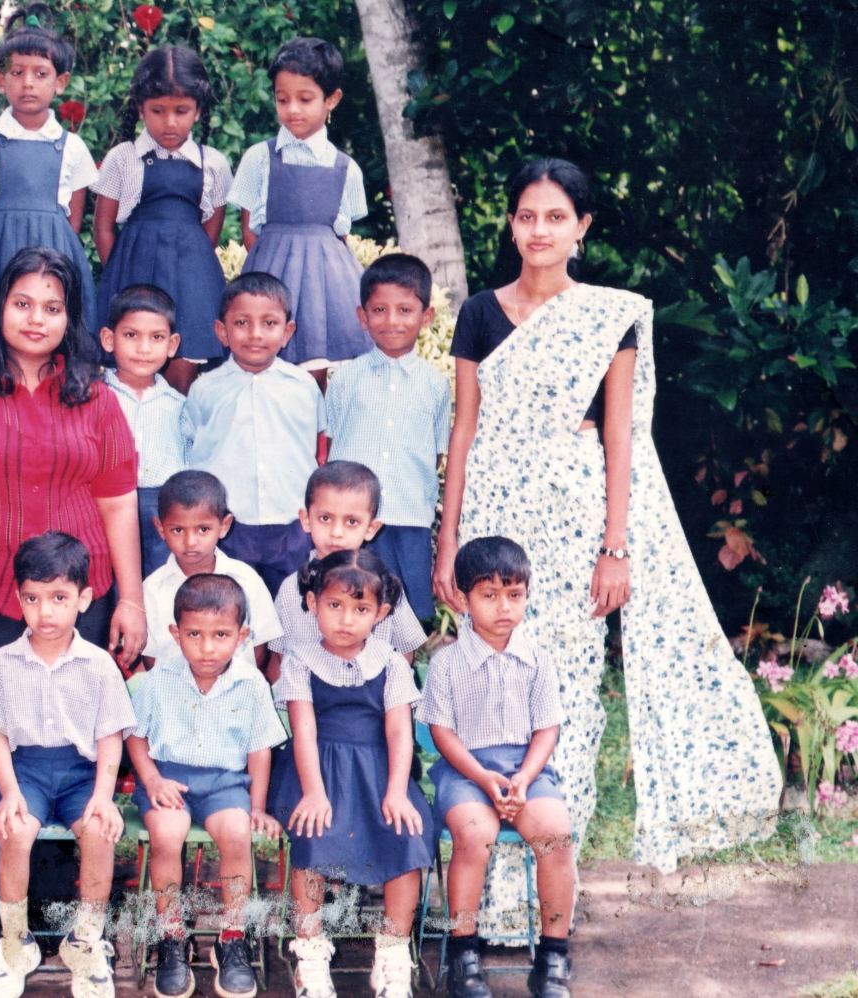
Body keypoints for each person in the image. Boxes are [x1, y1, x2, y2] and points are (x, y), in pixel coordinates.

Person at [432, 158, 779, 933]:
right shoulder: (480, 314)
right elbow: (464, 429)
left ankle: (553, 883)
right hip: (492, 514)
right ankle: (493, 896)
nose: (540, 231)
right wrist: (448, 538)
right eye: (527, 216)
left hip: (575, 518)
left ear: (582, 227)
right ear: (511, 224)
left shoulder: (609, 316)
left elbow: (621, 435)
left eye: (556, 217)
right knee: (488, 683)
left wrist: (615, 547)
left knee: (565, 693)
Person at [0, 246, 146, 948]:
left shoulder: (98, 398)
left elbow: (119, 507)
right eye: (22, 304)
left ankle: (62, 920)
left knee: (69, 752)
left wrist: (130, 601)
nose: (36, 318)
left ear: (71, 317)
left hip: (77, 604)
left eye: (52, 306)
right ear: (0, 308)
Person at [0, 532, 137, 998]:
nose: (45, 612)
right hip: (25, 772)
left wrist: (103, 796)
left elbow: (110, 736)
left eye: (59, 598)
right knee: (16, 830)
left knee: (99, 831)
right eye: (33, 598)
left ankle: (86, 940)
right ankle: (15, 941)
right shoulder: (3, 663)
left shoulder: (98, 665)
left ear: (83, 599)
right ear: (18, 598)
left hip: (82, 774)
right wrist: (9, 792)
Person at [272, 549, 436, 998]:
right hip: (315, 768)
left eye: (361, 609)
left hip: (379, 769)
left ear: (381, 613)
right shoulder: (300, 660)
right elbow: (304, 730)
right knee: (312, 836)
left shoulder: (390, 662)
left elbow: (399, 731)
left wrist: (397, 791)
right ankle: (310, 954)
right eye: (335, 605)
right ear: (313, 604)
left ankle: (393, 952)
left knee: (407, 835)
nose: (346, 620)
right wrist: (314, 792)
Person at [422, 538, 574, 998]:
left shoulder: (538, 659)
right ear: (463, 598)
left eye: (515, 595)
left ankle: (553, 954)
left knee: (556, 835)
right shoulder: (446, 664)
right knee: (474, 834)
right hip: (466, 773)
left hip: (526, 772)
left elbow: (547, 729)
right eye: (489, 595)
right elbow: (442, 733)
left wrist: (524, 777)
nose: (504, 607)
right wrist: (482, 777)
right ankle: (464, 953)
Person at [126, 574, 286, 998]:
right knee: (167, 833)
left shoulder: (251, 683)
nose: (207, 647)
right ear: (175, 633)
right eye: (194, 634)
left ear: (242, 636)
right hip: (168, 778)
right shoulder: (159, 678)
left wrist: (257, 805)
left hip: (224, 783)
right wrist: (152, 779)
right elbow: (135, 736)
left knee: (236, 833)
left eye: (221, 635)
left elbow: (259, 749)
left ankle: (231, 937)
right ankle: (172, 936)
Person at [0, 4, 98, 352]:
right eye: (17, 72)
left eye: (40, 73)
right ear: (0, 80)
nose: (28, 83)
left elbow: (73, 220)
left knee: (53, 340)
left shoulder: (72, 147)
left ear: (60, 82)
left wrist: (58, 260)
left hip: (55, 259)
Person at [92, 45, 231, 392]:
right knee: (133, 366)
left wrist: (193, 271)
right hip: (134, 276)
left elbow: (210, 233)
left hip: (193, 280)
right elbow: (103, 227)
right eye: (157, 110)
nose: (170, 122)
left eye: (181, 111)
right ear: (141, 108)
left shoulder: (213, 164)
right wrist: (121, 273)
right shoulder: (123, 159)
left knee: (184, 366)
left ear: (198, 111)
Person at [320, 253, 451, 620]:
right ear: (362, 317)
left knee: (406, 613)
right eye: (379, 310)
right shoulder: (345, 379)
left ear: (427, 317)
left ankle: (404, 659)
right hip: (352, 523)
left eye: (405, 310)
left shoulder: (436, 385)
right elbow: (330, 444)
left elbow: (437, 453)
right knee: (351, 600)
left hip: (409, 516)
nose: (392, 321)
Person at [229, 37, 369, 371]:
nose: (292, 109)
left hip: (328, 285)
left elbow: (341, 236)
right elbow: (249, 231)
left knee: (317, 365)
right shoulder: (259, 158)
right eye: (282, 99)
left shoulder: (346, 167)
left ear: (331, 99)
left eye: (305, 99)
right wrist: (267, 278)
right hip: (271, 278)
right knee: (265, 364)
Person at [181, 272, 324, 594]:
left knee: (293, 603)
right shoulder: (205, 389)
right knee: (230, 604)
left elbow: (317, 448)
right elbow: (192, 449)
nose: (255, 334)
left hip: (292, 524)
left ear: (287, 332)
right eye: (242, 323)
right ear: (222, 331)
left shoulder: (303, 387)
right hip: (229, 525)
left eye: (269, 323)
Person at [275, 462, 428, 663]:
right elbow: (280, 656)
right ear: (306, 519)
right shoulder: (290, 589)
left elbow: (405, 652)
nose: (336, 533)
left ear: (371, 528)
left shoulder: (385, 586)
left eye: (352, 522)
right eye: (325, 518)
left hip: (373, 683)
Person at [141, 471, 282, 678]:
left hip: (238, 686)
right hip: (174, 689)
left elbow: (259, 647)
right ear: (160, 528)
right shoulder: (152, 588)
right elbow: (151, 656)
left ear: (224, 526)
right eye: (178, 530)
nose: (190, 542)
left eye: (203, 529)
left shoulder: (246, 579)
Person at [98, 284, 186, 575]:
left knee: (161, 577)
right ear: (108, 339)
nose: (144, 349)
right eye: (131, 335)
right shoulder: (94, 398)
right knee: (111, 575)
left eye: (157, 337)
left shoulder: (180, 405)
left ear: (172, 344)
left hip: (163, 505)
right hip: (106, 502)